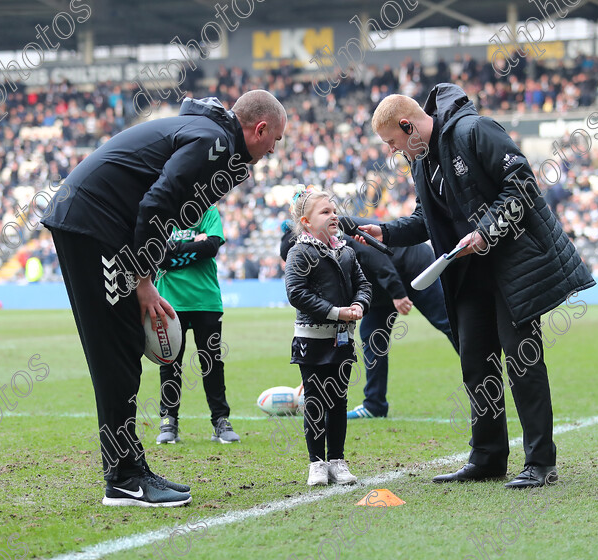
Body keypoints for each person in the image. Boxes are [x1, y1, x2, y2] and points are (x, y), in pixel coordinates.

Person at [42, 90, 286, 507]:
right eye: (274, 140)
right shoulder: (217, 142)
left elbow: (161, 208)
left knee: (125, 346)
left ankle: (131, 468)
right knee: (116, 351)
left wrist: (145, 275)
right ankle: (122, 478)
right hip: (92, 222)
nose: (272, 149)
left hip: (96, 223)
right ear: (259, 129)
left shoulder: (209, 136)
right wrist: (142, 281)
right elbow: (158, 203)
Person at [358, 84, 595, 489]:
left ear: (407, 124)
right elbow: (426, 220)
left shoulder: (475, 130)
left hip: (512, 269)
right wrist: (385, 232)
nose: (394, 152)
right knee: (475, 365)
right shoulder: (420, 161)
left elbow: (521, 185)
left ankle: (541, 462)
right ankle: (487, 457)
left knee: (523, 363)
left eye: (393, 142)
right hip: (466, 277)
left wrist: (486, 232)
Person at [280, 216, 458, 419]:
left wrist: (397, 293)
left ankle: (482, 375)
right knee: (372, 338)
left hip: (413, 268)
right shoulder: (320, 260)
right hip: (380, 289)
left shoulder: (339, 232)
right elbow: (333, 316)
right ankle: (375, 405)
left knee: (448, 324)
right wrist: (316, 371)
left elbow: (375, 256)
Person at [283, 189, 372, 486]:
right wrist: (335, 312)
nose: (334, 215)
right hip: (311, 339)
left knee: (339, 400)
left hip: (342, 340)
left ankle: (337, 459)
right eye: (325, 212)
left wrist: (360, 304)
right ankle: (316, 463)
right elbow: (296, 293)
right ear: (306, 222)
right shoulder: (300, 251)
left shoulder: (346, 251)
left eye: (334, 210)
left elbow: (363, 283)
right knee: (315, 400)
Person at [153, 205, 240, 446]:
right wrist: (195, 244)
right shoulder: (162, 210)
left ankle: (220, 421)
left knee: (211, 362)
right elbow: (159, 254)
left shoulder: (208, 211)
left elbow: (211, 247)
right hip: (169, 302)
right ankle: (169, 420)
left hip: (206, 300)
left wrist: (175, 254)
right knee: (170, 363)